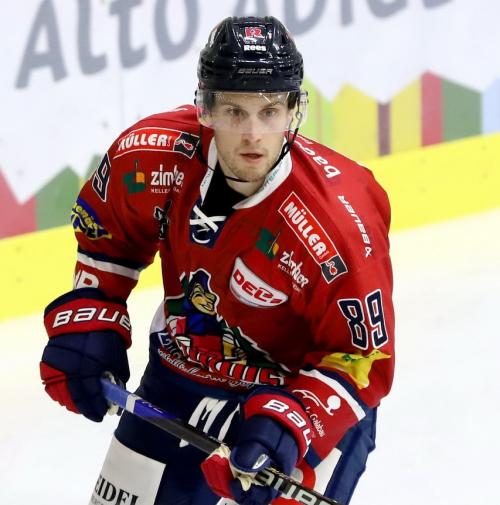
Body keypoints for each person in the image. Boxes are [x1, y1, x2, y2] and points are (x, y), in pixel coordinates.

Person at [40, 15, 395, 505]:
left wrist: (291, 424)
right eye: (234, 110)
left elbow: (361, 359)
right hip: (182, 372)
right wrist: (92, 315)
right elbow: (110, 238)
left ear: (295, 110)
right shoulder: (149, 157)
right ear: (205, 107)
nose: (253, 134)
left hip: (294, 396)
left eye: (269, 111)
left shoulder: (337, 224)